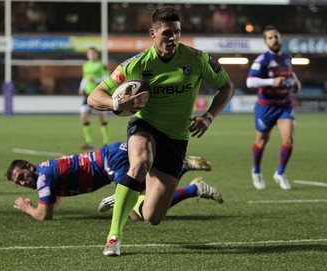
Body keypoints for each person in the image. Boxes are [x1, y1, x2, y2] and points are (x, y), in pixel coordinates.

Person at [87, 6, 234, 256]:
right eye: (167, 33)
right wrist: (116, 103)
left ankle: (127, 195)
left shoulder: (197, 59)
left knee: (152, 216)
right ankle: (114, 237)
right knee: (140, 163)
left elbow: (227, 87)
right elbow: (94, 96)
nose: (173, 38)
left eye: (177, 32)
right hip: (146, 126)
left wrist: (209, 117)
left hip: (177, 137)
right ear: (152, 33)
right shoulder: (136, 65)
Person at [6, 142, 223, 221]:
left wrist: (27, 208)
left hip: (111, 162)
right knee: (151, 195)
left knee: (138, 213)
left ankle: (193, 187)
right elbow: (55, 199)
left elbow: (45, 215)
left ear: (30, 167)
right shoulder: (46, 173)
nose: (23, 182)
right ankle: (182, 171)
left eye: (22, 176)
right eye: (19, 183)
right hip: (111, 158)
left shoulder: (43, 177)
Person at [246, 25, 301, 191]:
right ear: (265, 41)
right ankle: (256, 171)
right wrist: (272, 81)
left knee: (289, 139)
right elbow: (250, 82)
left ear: (280, 38)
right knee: (262, 140)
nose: (274, 39)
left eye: (276, 36)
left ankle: (280, 173)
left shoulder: (286, 57)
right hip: (266, 106)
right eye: (270, 37)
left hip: (284, 104)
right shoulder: (262, 60)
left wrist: (296, 82)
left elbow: (290, 74)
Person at [78, 47, 110, 149]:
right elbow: (85, 78)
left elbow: (107, 78)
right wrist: (81, 87)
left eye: (93, 53)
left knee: (101, 117)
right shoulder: (85, 66)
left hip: (98, 93)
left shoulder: (101, 65)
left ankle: (106, 142)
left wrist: (96, 80)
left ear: (97, 55)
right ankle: (88, 142)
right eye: (90, 54)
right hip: (86, 93)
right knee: (83, 115)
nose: (91, 55)